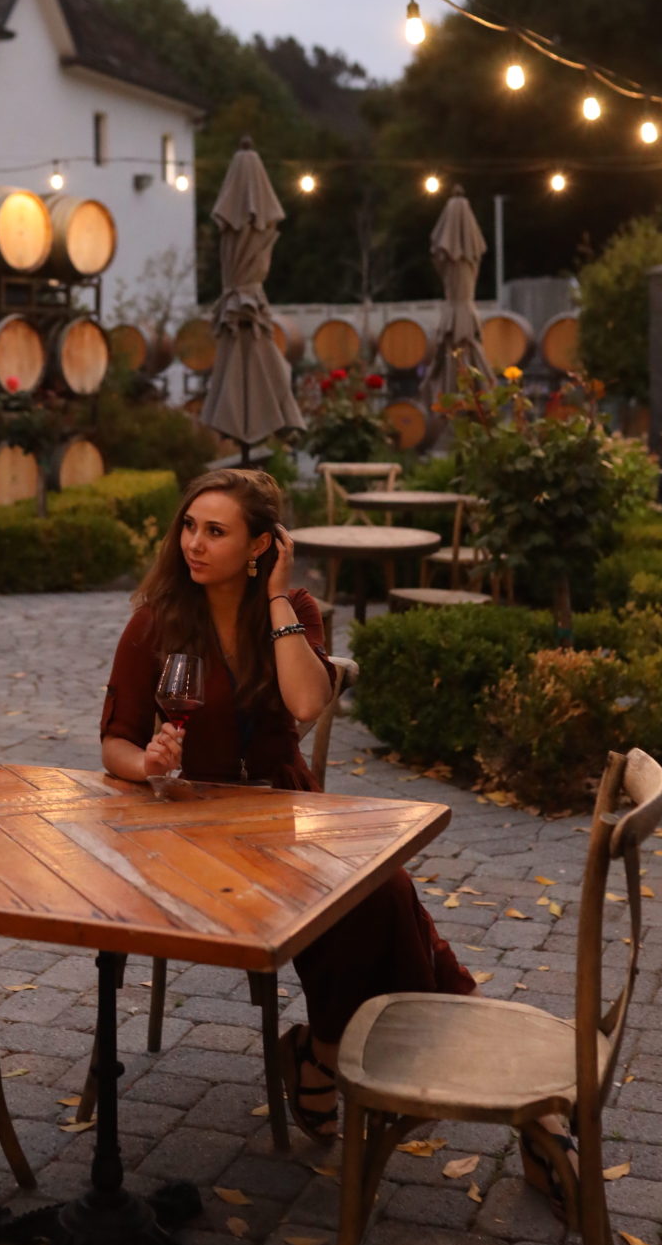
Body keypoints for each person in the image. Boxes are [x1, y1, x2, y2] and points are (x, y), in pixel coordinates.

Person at [100, 466, 476, 1144]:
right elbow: (115, 745)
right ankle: (419, 1047)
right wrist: (149, 763)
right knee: (377, 900)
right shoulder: (155, 624)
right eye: (189, 526)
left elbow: (306, 702)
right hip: (190, 823)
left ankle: (326, 1052)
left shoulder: (295, 611)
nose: (194, 543)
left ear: (260, 548)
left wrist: (274, 599)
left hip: (283, 810)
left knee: (379, 891)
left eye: (216, 531)